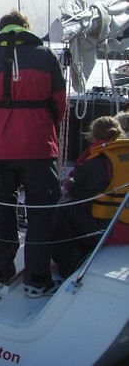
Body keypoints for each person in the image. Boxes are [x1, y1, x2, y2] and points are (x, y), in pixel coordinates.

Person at [0, 9, 67, 298]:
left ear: (2, 29)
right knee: (41, 213)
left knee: (3, 212)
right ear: (26, 28)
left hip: (1, 148)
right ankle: (37, 280)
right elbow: (59, 106)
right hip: (39, 147)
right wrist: (44, 125)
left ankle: (2, 271)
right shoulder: (46, 57)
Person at [52, 116, 129, 277]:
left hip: (112, 227)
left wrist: (68, 183)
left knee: (63, 211)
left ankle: (65, 266)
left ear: (93, 136)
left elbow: (76, 191)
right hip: (122, 220)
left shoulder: (100, 162)